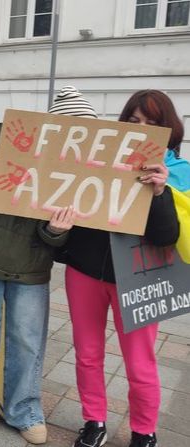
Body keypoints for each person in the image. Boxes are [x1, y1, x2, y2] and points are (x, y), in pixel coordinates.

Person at [0, 86, 95, 444]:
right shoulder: (16, 140)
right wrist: (29, 153)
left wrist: (57, 228)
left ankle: (24, 410)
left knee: (27, 340)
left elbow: (58, 239)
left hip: (32, 266)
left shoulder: (82, 173)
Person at [64, 89, 183, 447]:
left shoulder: (178, 172)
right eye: (134, 121)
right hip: (85, 272)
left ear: (169, 129)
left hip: (139, 278)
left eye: (152, 123)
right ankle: (93, 420)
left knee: (139, 362)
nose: (142, 129)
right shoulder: (99, 162)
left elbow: (166, 237)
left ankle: (144, 431)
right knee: (87, 354)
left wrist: (160, 192)